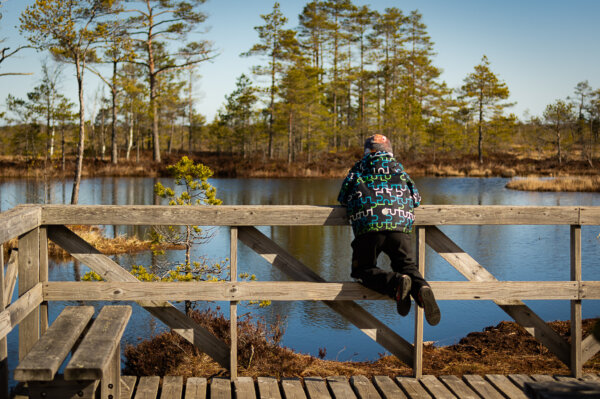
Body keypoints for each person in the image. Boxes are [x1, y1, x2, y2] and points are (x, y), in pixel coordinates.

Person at [337, 134, 440, 326]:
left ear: (367, 151)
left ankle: (395, 284)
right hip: (399, 228)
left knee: (363, 270)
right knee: (408, 267)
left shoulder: (358, 168)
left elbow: (342, 197)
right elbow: (416, 199)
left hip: (369, 227)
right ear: (390, 152)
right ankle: (422, 288)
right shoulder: (399, 170)